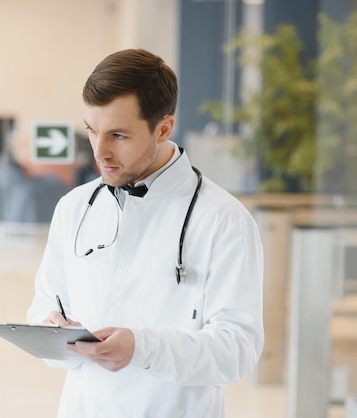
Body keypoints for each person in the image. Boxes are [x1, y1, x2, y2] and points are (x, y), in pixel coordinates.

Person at [27, 49, 264, 418]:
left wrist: (142, 348)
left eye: (118, 135)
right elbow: (45, 307)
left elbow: (238, 349)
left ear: (164, 128)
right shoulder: (74, 208)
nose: (100, 152)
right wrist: (50, 330)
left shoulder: (223, 220)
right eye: (92, 131)